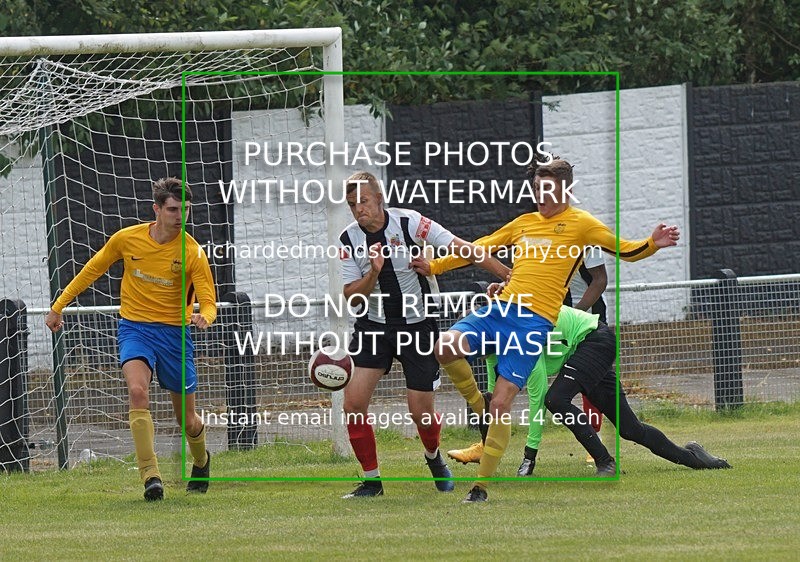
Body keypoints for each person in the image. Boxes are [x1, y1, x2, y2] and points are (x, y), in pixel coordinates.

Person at [421, 157, 681, 503]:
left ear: (565, 190)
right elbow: (479, 248)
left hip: (533, 324)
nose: (539, 196)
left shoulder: (582, 224)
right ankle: (476, 402)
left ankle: (480, 488)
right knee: (444, 347)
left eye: (546, 189)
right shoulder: (524, 223)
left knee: (502, 404)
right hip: (500, 310)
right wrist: (435, 266)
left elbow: (624, 249)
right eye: (536, 189)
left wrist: (652, 242)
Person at [338, 171, 509, 498]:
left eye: (364, 201)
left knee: (421, 413)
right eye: (352, 204)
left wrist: (504, 272)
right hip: (373, 326)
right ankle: (372, 482)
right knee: (353, 404)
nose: (359, 209)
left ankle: (433, 458)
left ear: (379, 199)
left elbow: (461, 248)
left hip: (417, 325)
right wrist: (373, 272)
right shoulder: (348, 239)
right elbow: (352, 297)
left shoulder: (410, 223)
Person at [45, 178, 216, 501]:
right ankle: (151, 476)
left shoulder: (192, 251)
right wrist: (58, 306)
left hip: (175, 335)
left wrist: (205, 316)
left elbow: (208, 300)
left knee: (187, 420)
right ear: (157, 210)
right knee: (137, 392)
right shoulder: (127, 239)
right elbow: (92, 269)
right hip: (135, 328)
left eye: (185, 210)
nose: (180, 216)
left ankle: (201, 460)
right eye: (173, 209)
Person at [442, 247, 609, 473]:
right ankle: (484, 446)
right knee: (541, 399)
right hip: (547, 318)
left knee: (578, 394)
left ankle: (595, 441)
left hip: (584, 324)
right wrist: (505, 287)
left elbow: (600, 280)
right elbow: (492, 392)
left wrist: (530, 455)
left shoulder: (584, 242)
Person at [539, 304, 731, 473]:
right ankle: (695, 458)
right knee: (630, 429)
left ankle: (605, 463)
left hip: (593, 340)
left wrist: (529, 458)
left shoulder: (526, 317)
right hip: (586, 347)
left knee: (555, 399)